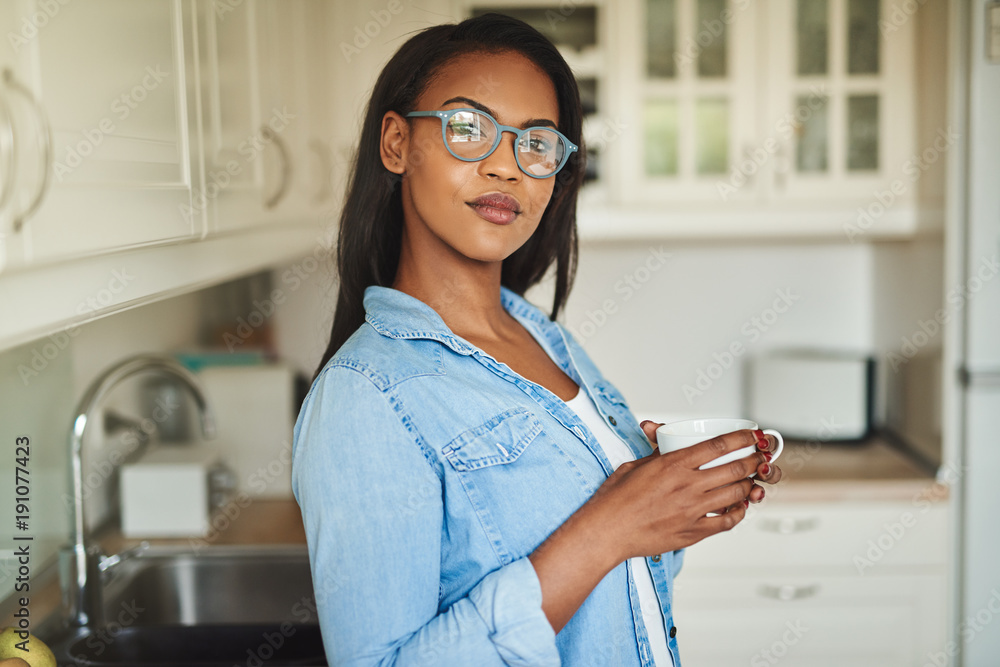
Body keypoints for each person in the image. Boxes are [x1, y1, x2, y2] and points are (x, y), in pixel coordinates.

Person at [291, 12, 782, 666]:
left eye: (537, 143)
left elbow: (612, 581)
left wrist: (677, 501)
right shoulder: (363, 398)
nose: (506, 167)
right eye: (469, 129)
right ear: (396, 143)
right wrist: (612, 526)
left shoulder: (549, 342)